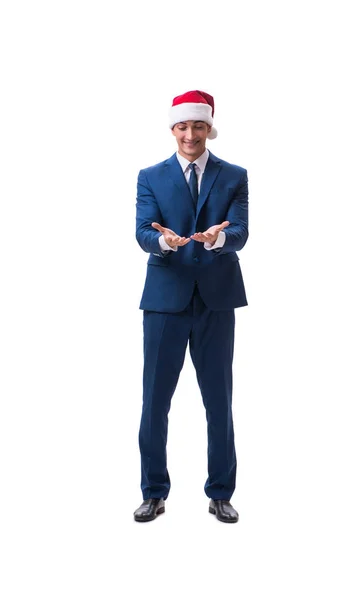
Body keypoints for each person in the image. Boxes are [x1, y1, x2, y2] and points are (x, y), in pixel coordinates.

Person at [133, 90, 248, 523]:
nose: (190, 134)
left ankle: (220, 492)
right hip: (165, 299)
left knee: (219, 401)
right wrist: (164, 241)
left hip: (216, 300)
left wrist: (218, 237)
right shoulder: (150, 176)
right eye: (183, 126)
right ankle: (153, 491)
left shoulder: (234, 175)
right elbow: (143, 231)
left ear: (208, 129)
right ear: (173, 129)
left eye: (198, 126)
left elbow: (240, 230)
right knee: (154, 402)